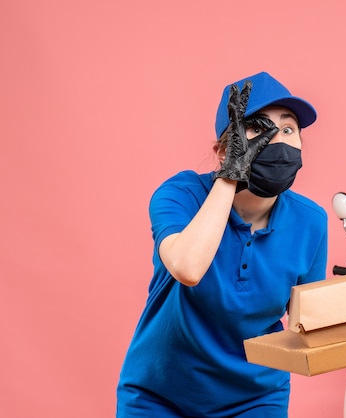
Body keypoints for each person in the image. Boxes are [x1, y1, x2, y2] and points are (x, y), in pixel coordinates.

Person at [116, 71, 328, 417]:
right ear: (223, 150)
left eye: (288, 129)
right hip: (160, 395)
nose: (276, 140)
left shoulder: (311, 221)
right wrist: (231, 174)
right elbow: (187, 267)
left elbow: (307, 327)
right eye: (258, 128)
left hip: (256, 399)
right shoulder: (181, 194)